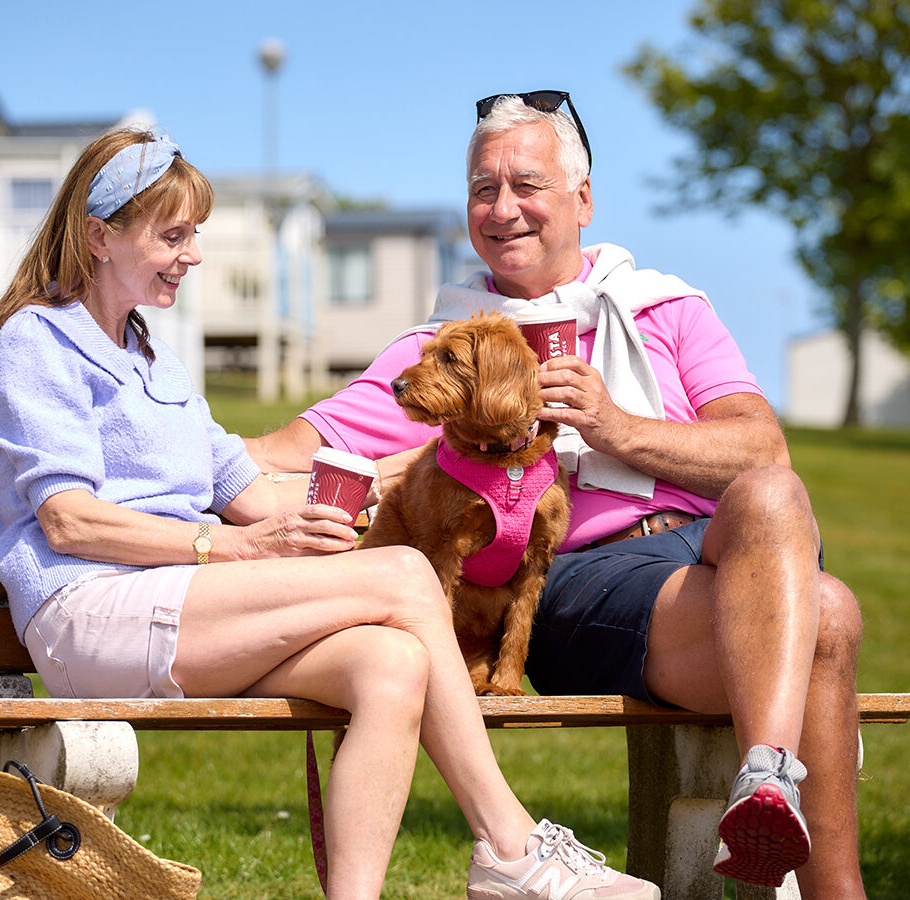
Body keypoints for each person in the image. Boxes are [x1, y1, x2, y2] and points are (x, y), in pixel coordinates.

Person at [0, 128, 661, 900]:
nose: (193, 255)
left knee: (391, 664)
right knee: (405, 574)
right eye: (173, 236)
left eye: (193, 235)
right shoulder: (38, 342)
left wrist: (403, 474)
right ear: (100, 237)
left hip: (184, 611)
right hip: (90, 612)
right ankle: (509, 845)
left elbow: (258, 495)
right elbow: (71, 523)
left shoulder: (153, 359)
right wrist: (235, 549)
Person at [246, 93, 867, 898]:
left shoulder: (664, 310)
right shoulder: (445, 345)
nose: (502, 209)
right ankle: (822, 865)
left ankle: (765, 779)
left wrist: (615, 425)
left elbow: (762, 449)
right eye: (482, 188)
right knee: (831, 615)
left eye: (526, 185)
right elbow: (275, 453)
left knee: (776, 493)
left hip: (725, 551)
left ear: (583, 199)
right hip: (580, 582)